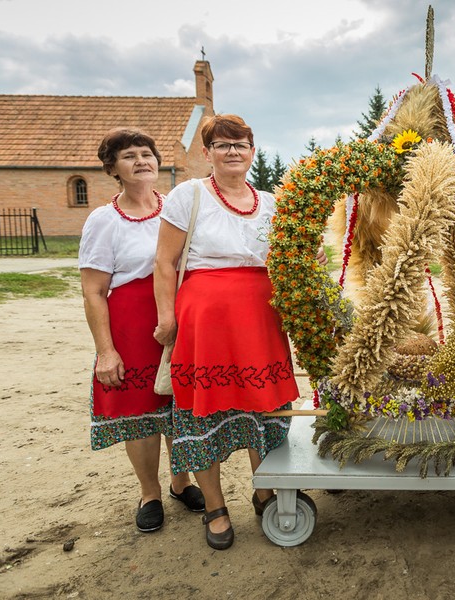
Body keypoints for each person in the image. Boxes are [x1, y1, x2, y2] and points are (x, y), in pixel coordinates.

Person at [153, 114, 317, 551]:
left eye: (240, 144)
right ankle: (215, 506)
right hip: (205, 324)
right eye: (222, 144)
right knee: (204, 413)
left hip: (261, 323)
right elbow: (164, 263)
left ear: (252, 151)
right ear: (207, 153)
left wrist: (310, 260)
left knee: (265, 411)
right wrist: (167, 318)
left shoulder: (273, 202)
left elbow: (289, 258)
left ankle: (265, 490)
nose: (232, 151)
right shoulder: (188, 196)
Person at [79, 128, 204, 534]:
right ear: (113, 168)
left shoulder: (176, 208)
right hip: (133, 326)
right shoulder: (104, 220)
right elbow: (93, 291)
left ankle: (181, 483)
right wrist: (106, 351)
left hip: (180, 317)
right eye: (129, 156)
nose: (141, 161)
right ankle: (150, 493)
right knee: (141, 413)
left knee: (179, 407)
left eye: (146, 154)